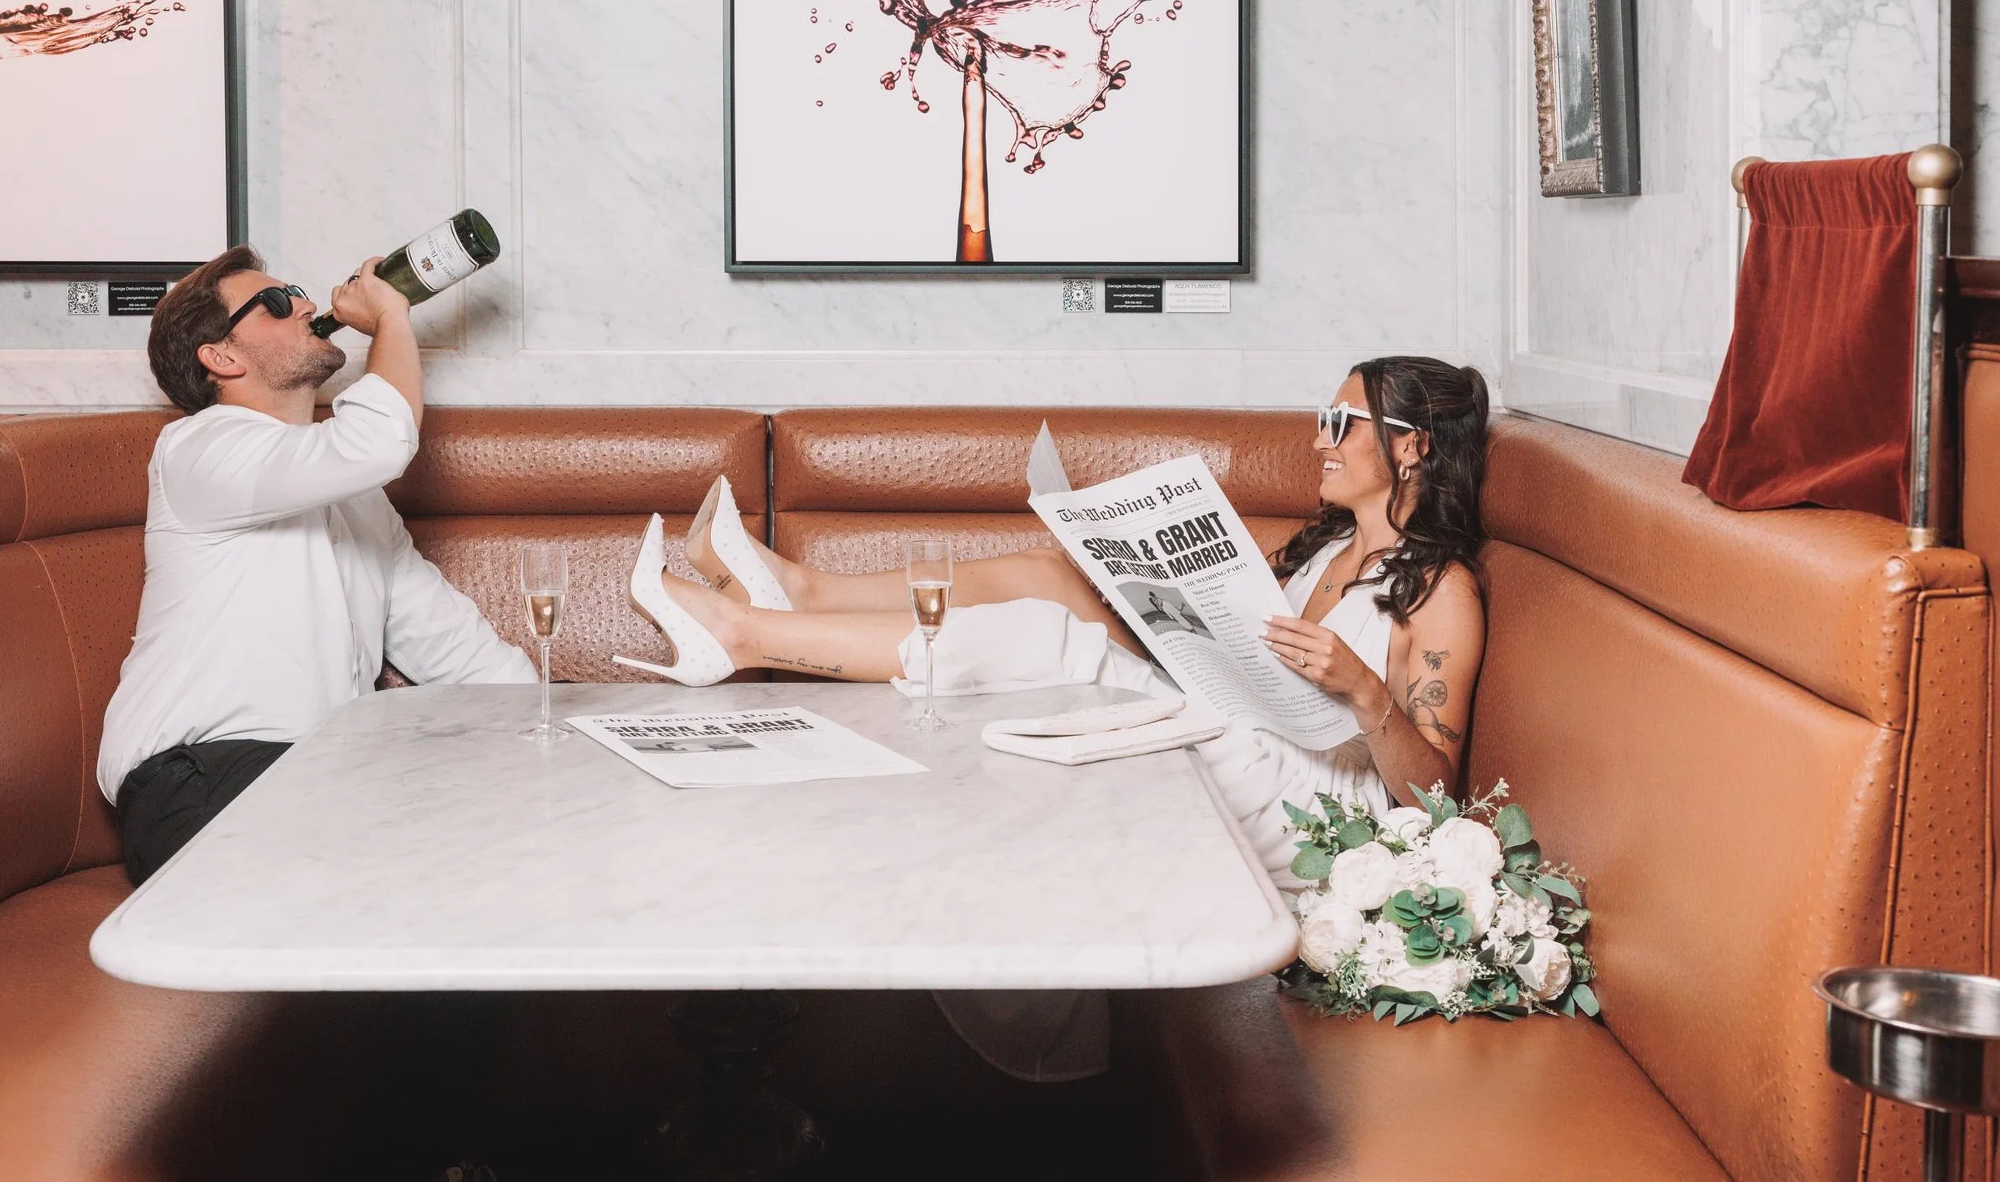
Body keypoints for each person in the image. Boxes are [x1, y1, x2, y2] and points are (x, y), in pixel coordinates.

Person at [616, 356, 1491, 1079]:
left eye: (1342, 426)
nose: (1317, 440)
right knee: (1056, 580)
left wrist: (1366, 691)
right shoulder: (1328, 549)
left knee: (1049, 639)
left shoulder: (1440, 590)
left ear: (1412, 448)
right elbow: (1239, 644)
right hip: (1241, 726)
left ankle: (745, 629)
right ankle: (794, 593)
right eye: (1320, 419)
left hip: (1316, 802)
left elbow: (1433, 797)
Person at [99, 244, 534, 885]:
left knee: (510, 860)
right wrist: (391, 318)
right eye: (276, 302)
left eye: (296, 290)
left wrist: (563, 736)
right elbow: (378, 442)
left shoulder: (357, 497)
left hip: (324, 773)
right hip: (202, 777)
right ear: (221, 356)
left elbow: (457, 653)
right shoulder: (196, 450)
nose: (304, 304)